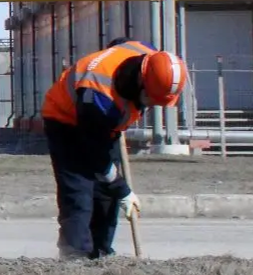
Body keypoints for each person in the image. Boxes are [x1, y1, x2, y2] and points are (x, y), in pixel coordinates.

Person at [42, 40, 185, 260]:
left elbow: (119, 44)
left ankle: (100, 254)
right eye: (150, 99)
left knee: (106, 194)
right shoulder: (98, 98)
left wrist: (115, 189)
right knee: (80, 191)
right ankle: (74, 256)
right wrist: (123, 190)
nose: (152, 105)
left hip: (104, 127)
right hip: (67, 122)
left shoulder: (149, 56)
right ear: (140, 81)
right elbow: (96, 155)